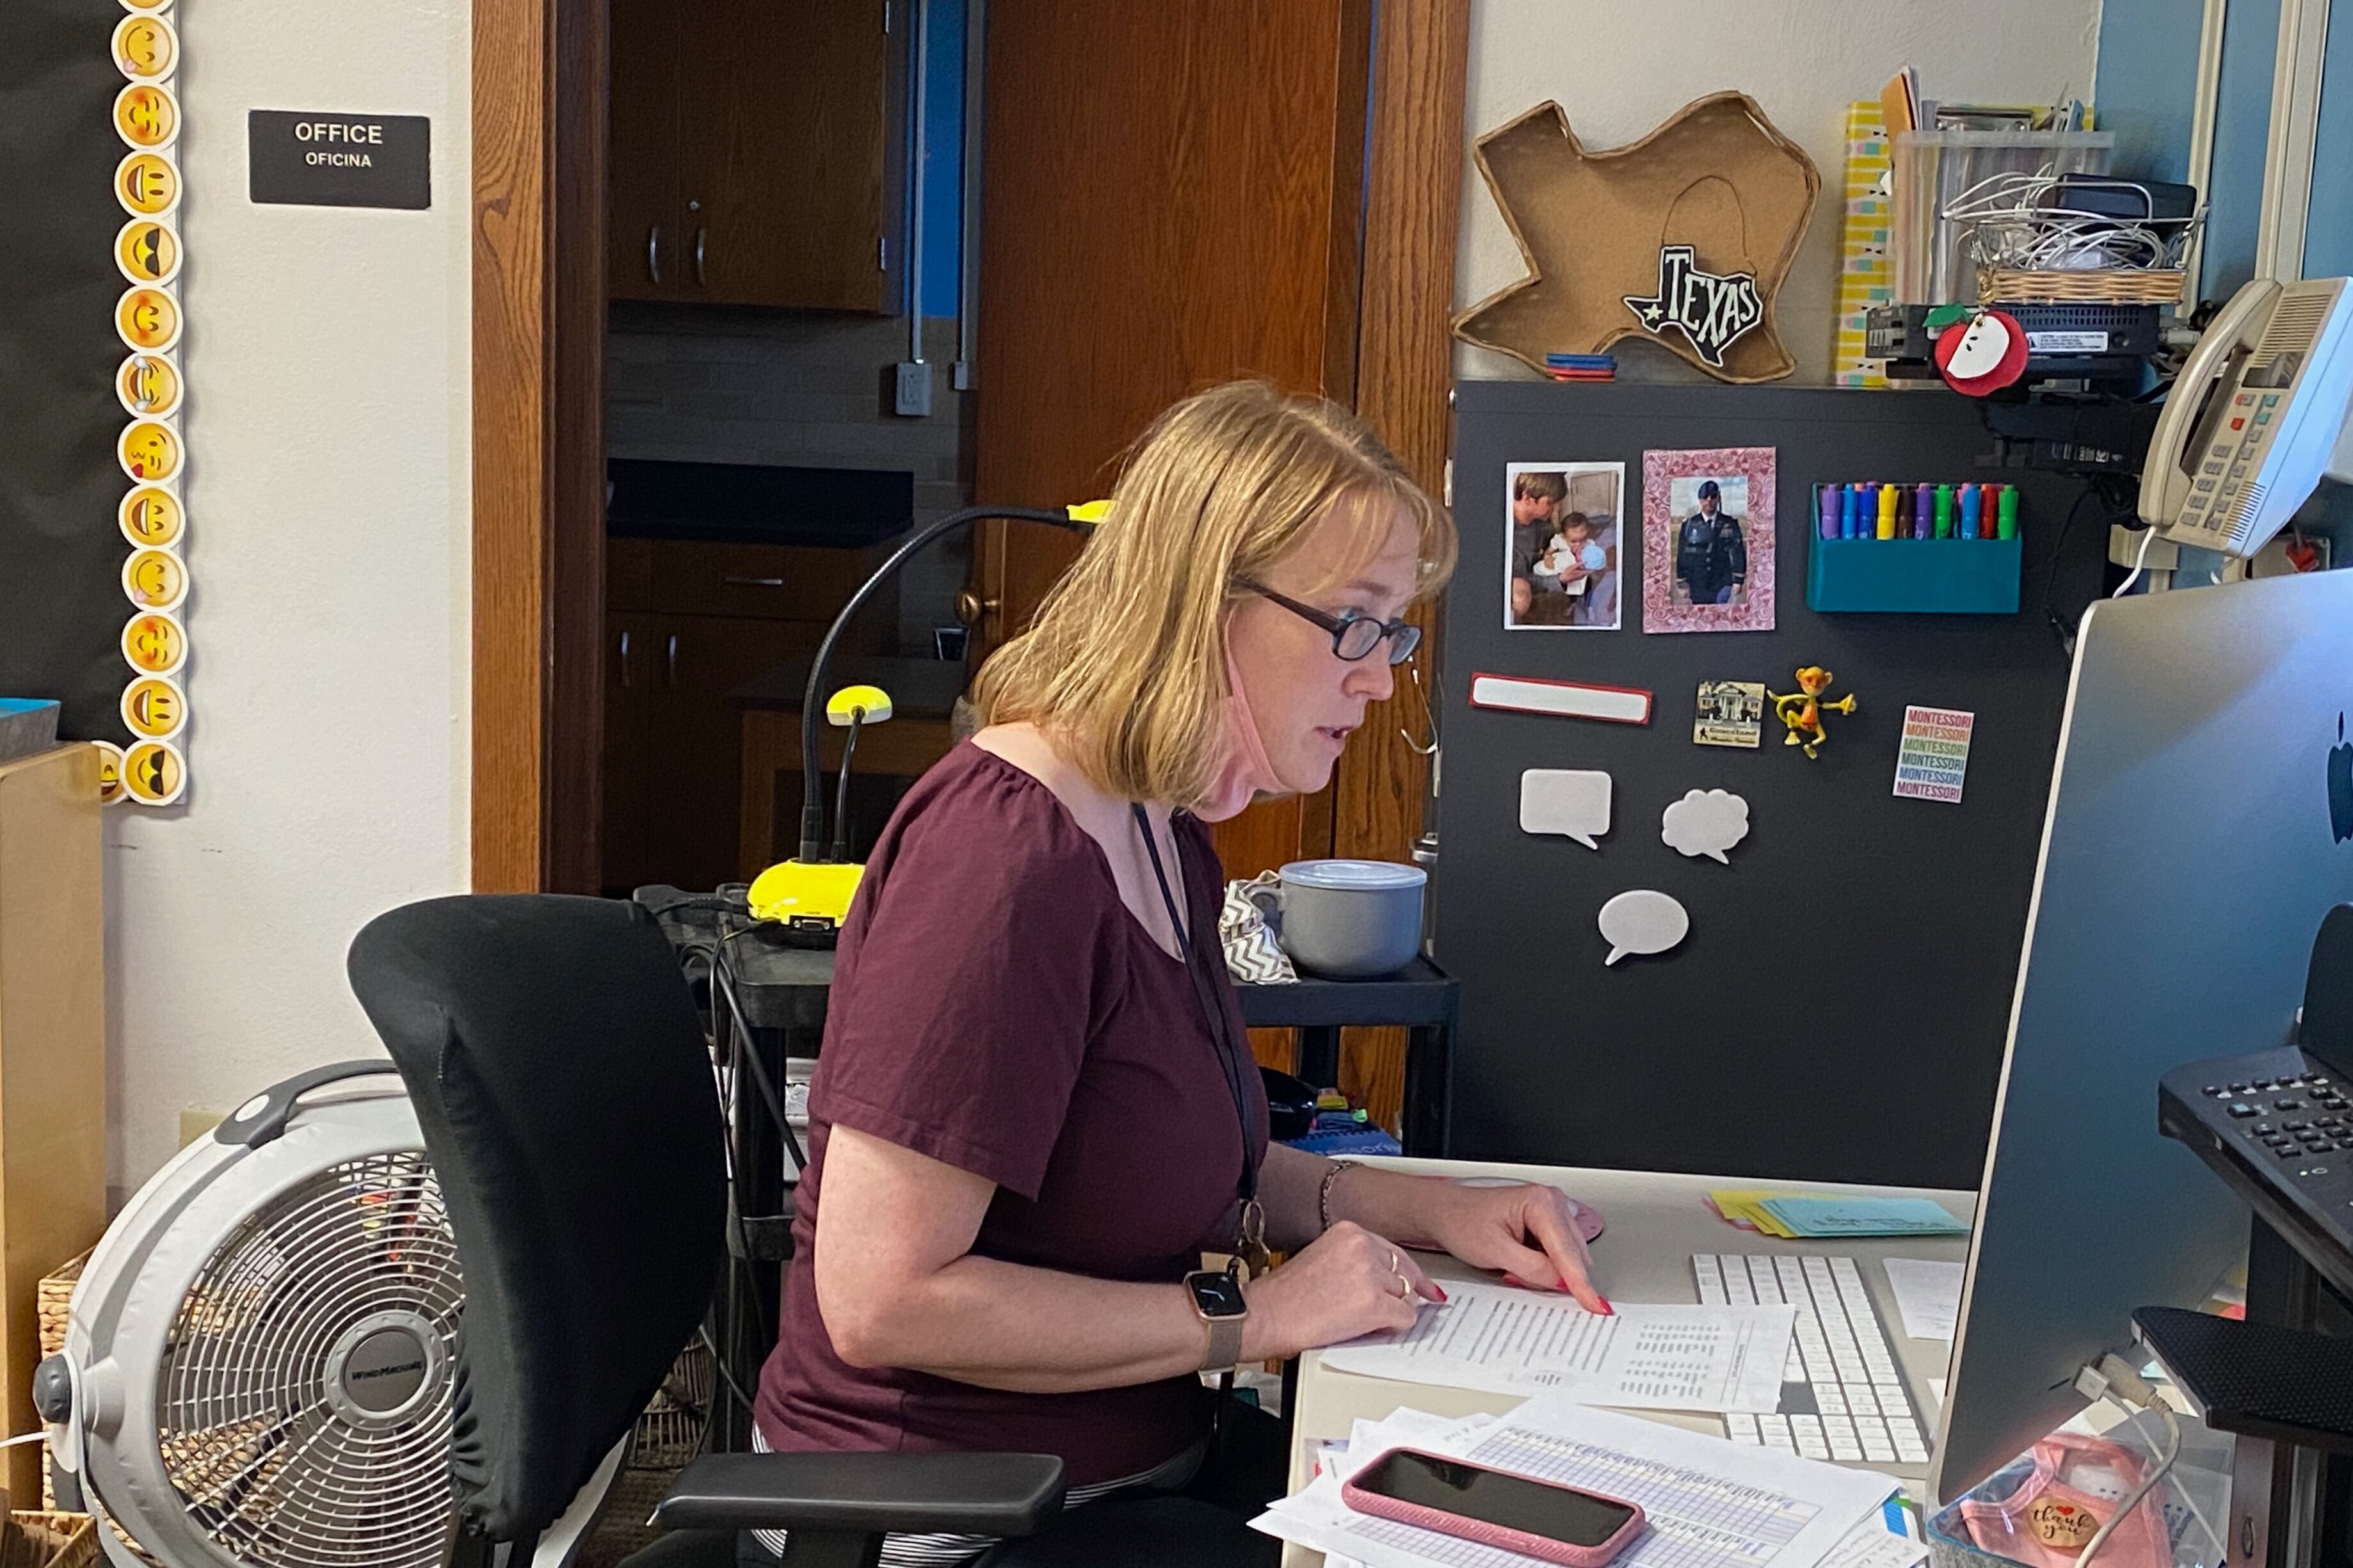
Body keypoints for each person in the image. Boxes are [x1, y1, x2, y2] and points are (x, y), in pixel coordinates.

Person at [751, 383, 1607, 1568]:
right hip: (959, 1525)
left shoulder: (1158, 828)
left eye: (1395, 631)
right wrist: (1252, 1319)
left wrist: (1445, 1211)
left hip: (1140, 1471)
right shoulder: (1005, 862)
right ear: (1205, 603)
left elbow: (1190, 1158)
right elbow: (884, 1297)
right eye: (1354, 623)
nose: (1379, 677)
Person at [1674, 478, 1747, 607]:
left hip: (1722, 582)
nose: (1709, 500)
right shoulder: (1689, 525)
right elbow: (1682, 555)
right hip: (1697, 583)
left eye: (1713, 497)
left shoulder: (1730, 524)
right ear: (1700, 500)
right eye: (1705, 497)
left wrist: (1738, 580)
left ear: (1718, 498)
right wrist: (1682, 583)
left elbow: (1738, 552)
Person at [1508, 470, 1567, 621]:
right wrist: (1559, 580)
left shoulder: (1542, 527)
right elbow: (1518, 580)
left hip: (1530, 580)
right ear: (1527, 498)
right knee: (1520, 593)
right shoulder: (1501, 525)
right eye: (1550, 503)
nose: (1555, 509)